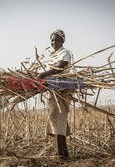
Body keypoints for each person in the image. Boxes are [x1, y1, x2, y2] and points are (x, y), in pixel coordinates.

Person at [38, 29, 72, 160]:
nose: (54, 42)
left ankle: (61, 155)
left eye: (57, 40)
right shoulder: (53, 55)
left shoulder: (65, 53)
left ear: (63, 41)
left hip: (62, 89)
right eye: (52, 40)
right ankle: (64, 154)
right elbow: (52, 70)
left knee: (58, 119)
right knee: (58, 119)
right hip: (54, 90)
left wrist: (43, 75)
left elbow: (59, 67)